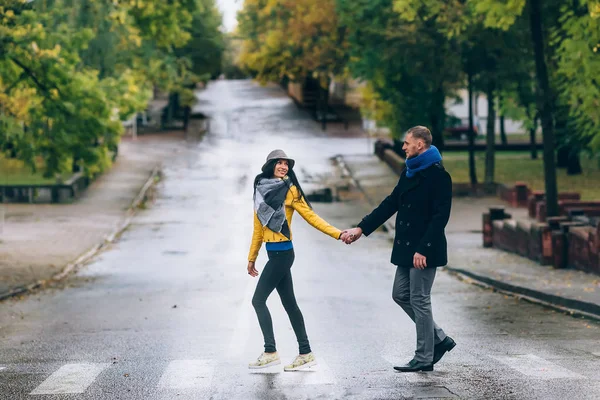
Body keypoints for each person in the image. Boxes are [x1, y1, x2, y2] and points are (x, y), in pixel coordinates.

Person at [342, 126, 456, 372]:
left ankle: (424, 357)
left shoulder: (439, 177)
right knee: (400, 294)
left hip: (424, 249)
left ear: (420, 145)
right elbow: (391, 203)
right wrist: (361, 228)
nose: (402, 147)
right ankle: (439, 338)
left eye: (406, 143)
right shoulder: (410, 171)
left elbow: (440, 217)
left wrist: (424, 249)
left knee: (419, 298)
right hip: (406, 248)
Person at [247, 149, 343, 371]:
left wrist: (337, 233)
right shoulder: (260, 190)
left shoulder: (290, 190)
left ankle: (270, 351)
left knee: (258, 300)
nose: (283, 167)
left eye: (286, 164)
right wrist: (252, 257)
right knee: (290, 303)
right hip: (273, 253)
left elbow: (311, 216)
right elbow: (257, 230)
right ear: (270, 165)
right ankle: (306, 352)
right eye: (279, 163)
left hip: (283, 254)